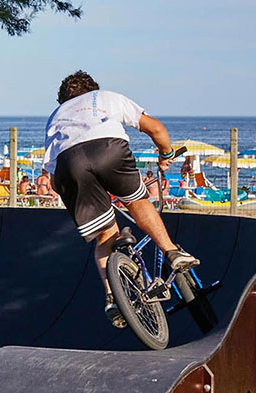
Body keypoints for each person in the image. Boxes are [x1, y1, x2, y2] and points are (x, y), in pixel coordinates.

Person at [44, 70, 199, 326]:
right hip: (108, 149)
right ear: (92, 88)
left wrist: (86, 197)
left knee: (105, 235)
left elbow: (52, 178)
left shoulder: (56, 116)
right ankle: (172, 252)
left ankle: (112, 298)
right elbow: (156, 129)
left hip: (68, 165)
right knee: (137, 202)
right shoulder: (105, 97)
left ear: (63, 99)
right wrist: (166, 154)